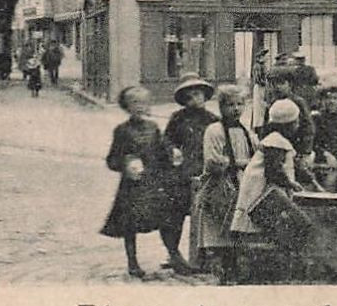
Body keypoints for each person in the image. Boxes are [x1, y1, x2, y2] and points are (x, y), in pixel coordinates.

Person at [100, 86, 194, 278]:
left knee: (167, 218)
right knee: (130, 223)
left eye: (143, 102)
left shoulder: (153, 127)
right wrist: (127, 164)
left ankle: (174, 256)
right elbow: (112, 159)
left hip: (155, 182)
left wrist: (172, 152)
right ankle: (132, 261)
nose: (140, 107)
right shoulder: (122, 131)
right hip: (133, 186)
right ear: (127, 106)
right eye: (135, 103)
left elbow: (162, 148)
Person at [231, 98, 304, 281]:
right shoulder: (276, 142)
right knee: (259, 223)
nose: (298, 125)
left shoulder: (276, 140)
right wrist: (290, 184)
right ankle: (259, 270)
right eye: (296, 121)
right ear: (288, 124)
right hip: (260, 191)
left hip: (262, 190)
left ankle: (261, 267)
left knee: (262, 227)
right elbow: (274, 171)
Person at [195, 84, 256, 279]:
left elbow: (257, 152)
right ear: (221, 107)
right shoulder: (214, 130)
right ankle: (218, 266)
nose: (236, 109)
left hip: (242, 183)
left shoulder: (247, 131)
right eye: (231, 105)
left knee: (237, 225)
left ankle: (236, 265)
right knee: (218, 225)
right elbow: (213, 161)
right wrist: (240, 163)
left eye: (240, 104)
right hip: (221, 183)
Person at [164, 73, 218, 262]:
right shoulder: (177, 118)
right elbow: (167, 139)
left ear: (205, 95)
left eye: (198, 94)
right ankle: (173, 253)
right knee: (176, 213)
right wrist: (173, 150)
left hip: (206, 172)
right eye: (189, 96)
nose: (194, 99)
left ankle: (204, 254)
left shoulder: (213, 120)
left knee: (207, 213)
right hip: (183, 173)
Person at [259, 65, 315, 183]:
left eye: (281, 83)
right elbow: (266, 129)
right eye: (273, 84)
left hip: (296, 149)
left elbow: (308, 129)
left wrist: (305, 152)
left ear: (290, 84)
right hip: (277, 150)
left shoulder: (298, 102)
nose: (276, 87)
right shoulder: (272, 104)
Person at [311, 87, 337, 192]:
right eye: (329, 98)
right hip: (324, 163)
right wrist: (325, 154)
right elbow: (313, 143)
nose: (332, 101)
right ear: (324, 101)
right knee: (326, 192)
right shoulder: (318, 118)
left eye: (335, 98)